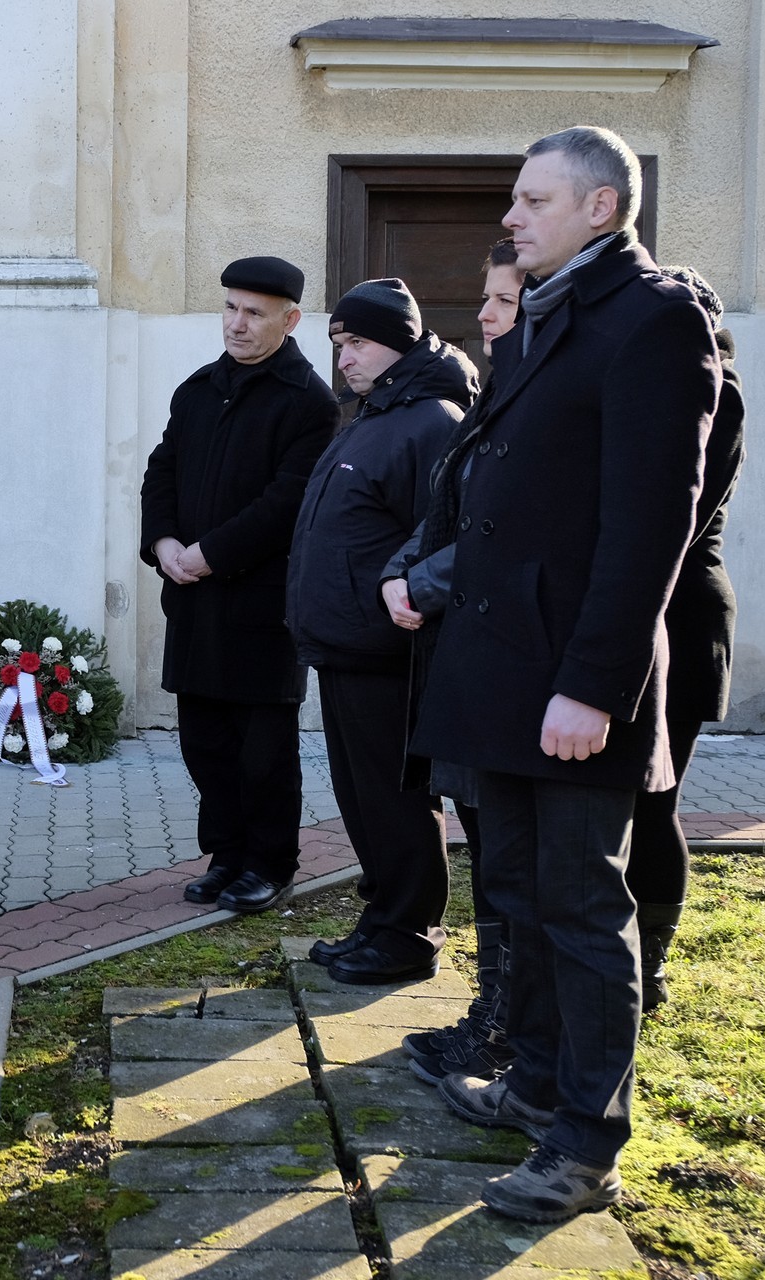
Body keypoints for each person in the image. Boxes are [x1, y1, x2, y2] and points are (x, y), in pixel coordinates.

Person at [410, 127, 719, 1223]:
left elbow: (650, 524)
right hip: (503, 668)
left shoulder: (653, 318)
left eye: (534, 199)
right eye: (515, 198)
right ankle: (536, 1082)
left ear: (601, 207)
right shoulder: (548, 311)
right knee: (521, 894)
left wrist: (594, 685)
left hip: (574, 680)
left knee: (585, 909)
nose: (511, 215)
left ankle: (587, 1145)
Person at [286, 278, 476, 983]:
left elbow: (441, 537)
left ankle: (409, 935)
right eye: (339, 343)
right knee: (362, 797)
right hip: (345, 647)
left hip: (389, 652)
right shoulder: (372, 414)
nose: (345, 357)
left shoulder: (433, 421)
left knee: (396, 801)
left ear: (400, 342)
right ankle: (382, 917)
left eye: (359, 342)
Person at [141, 256, 339, 915]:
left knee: (263, 752)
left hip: (261, 608)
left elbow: (286, 503)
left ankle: (271, 864)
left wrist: (209, 554)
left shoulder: (309, 401)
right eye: (230, 307)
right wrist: (164, 542)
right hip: (194, 602)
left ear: (291, 320)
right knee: (205, 745)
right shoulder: (198, 389)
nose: (237, 323)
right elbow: (161, 470)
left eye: (255, 312)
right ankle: (225, 855)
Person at [384, 238, 525, 1083]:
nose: (484, 315)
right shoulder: (499, 393)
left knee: (510, 864)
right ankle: (493, 1015)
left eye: (504, 300)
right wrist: (401, 571)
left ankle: (504, 1029)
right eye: (487, 298)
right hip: (465, 653)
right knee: (490, 850)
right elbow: (448, 506)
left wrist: (420, 582)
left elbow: (505, 533)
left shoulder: (541, 402)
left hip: (506, 660)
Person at [628, 265, 745, 1016]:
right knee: (632, 801)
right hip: (654, 615)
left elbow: (673, 515)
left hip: (682, 619)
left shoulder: (715, 391)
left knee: (654, 801)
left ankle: (652, 961)